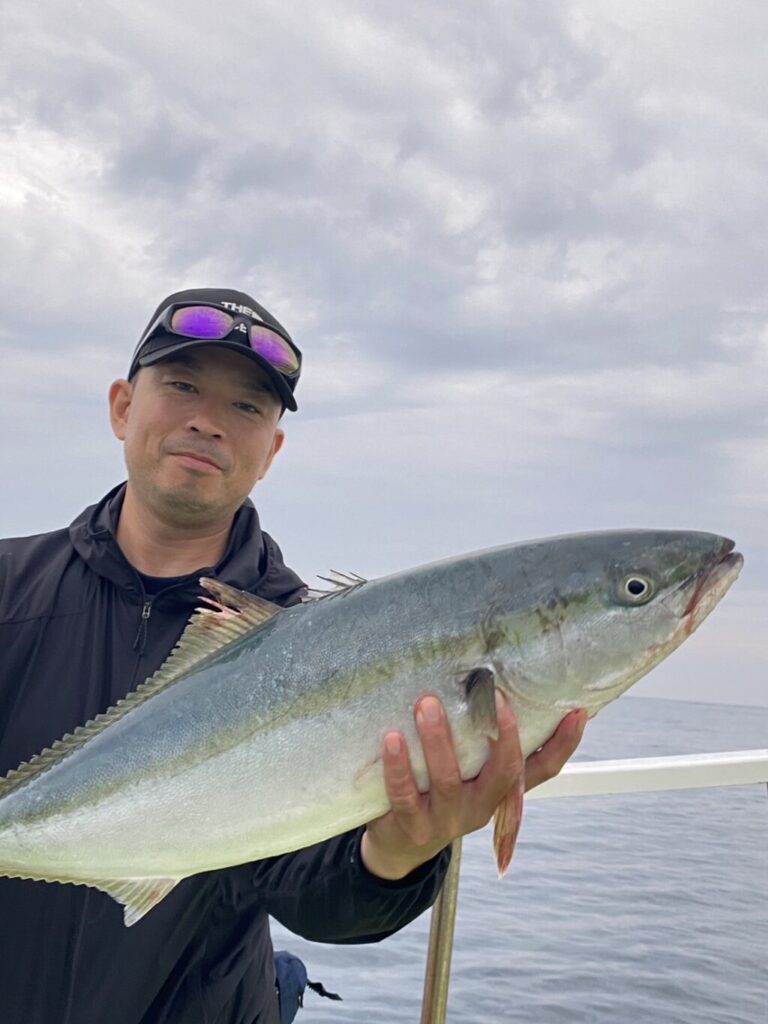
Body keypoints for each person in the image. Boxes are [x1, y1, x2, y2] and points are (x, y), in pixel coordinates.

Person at [0, 288, 587, 1023]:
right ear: (122, 407)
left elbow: (313, 895)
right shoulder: (9, 590)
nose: (208, 421)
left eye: (247, 406)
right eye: (182, 385)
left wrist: (398, 852)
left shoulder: (314, 647)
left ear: (271, 452)